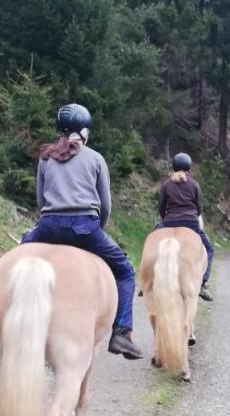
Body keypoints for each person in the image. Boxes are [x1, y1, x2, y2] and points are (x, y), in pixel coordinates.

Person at [21, 103, 144, 360]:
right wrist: (97, 229)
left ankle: (15, 319)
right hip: (84, 227)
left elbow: (41, 201)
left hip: (48, 226)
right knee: (125, 270)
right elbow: (106, 205)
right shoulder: (96, 159)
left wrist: (49, 221)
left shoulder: (46, 158)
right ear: (85, 132)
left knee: (18, 258)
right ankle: (122, 332)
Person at [155, 153, 215, 301]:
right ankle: (202, 283)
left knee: (151, 245)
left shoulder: (166, 185)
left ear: (173, 167)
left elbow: (161, 207)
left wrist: (166, 220)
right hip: (191, 224)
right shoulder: (194, 184)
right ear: (189, 168)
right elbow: (199, 208)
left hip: (169, 222)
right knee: (209, 249)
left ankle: (148, 282)